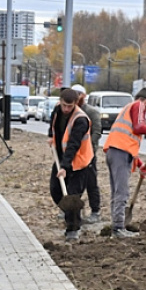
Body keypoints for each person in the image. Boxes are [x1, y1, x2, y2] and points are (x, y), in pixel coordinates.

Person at [102, 86, 146, 239]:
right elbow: (138, 128)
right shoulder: (139, 106)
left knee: (117, 191)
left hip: (115, 151)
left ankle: (116, 226)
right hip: (119, 152)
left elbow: (129, 140)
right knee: (121, 191)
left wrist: (139, 163)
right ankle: (118, 228)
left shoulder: (129, 108)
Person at [48, 88, 94, 242]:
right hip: (61, 157)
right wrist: (50, 136)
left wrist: (64, 167)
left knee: (73, 195)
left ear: (76, 103)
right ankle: (70, 214)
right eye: (64, 105)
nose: (66, 109)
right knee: (56, 190)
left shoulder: (81, 119)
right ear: (60, 102)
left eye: (70, 106)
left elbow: (73, 145)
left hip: (80, 161)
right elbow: (53, 124)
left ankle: (73, 228)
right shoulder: (57, 110)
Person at [70, 85, 103, 224]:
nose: (77, 96)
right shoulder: (70, 112)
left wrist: (88, 148)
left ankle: (95, 211)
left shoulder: (92, 112)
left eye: (79, 94)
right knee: (73, 183)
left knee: (90, 182)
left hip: (88, 155)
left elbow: (96, 132)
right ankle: (71, 210)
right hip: (73, 154)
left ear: (84, 95)